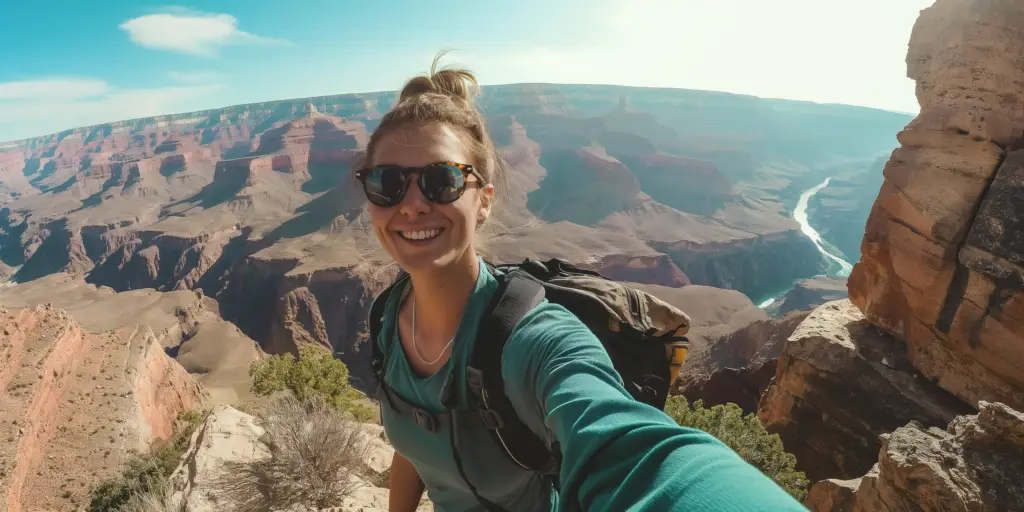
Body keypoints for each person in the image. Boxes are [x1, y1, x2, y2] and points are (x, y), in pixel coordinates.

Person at [354, 54, 807, 512]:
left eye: (441, 180)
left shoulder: (533, 340)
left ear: (484, 200)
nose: (411, 204)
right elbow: (412, 440)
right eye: (386, 182)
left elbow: (630, 449)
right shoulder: (390, 314)